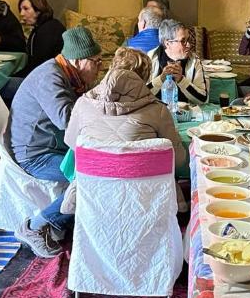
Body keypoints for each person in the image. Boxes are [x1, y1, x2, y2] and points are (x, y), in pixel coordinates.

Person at [16, 47, 187, 258]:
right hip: (143, 196)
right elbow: (178, 160)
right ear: (144, 77)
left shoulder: (83, 103)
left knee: (83, 179)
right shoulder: (158, 110)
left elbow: (72, 143)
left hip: (95, 187)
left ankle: (53, 223)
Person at [9, 26, 101, 200]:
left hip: (54, 146)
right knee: (91, 175)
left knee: (100, 166)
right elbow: (66, 120)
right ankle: (39, 223)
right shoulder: (50, 77)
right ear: (78, 61)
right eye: (95, 62)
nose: (100, 67)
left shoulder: (71, 76)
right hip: (36, 155)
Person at [147, 18, 209, 104]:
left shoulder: (194, 61)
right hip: (155, 112)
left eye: (188, 40)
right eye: (183, 41)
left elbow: (203, 99)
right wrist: (161, 79)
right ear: (167, 43)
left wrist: (181, 80)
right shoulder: (150, 59)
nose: (189, 45)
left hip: (186, 114)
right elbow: (140, 96)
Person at [17, 0, 65, 76]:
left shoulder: (49, 30)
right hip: (43, 75)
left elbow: (40, 66)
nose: (21, 14)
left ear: (38, 10)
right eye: (21, 10)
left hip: (49, 80)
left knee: (1, 84)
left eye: (26, 9)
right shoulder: (40, 27)